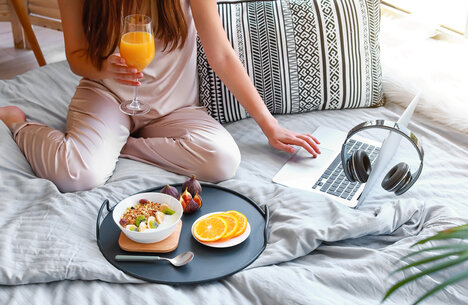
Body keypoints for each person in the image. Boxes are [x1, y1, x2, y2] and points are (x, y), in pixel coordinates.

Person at [0, 0, 320, 192]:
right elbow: (75, 57)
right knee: (77, 176)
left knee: (223, 160)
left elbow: (220, 53)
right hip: (106, 94)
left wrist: (269, 125)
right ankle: (20, 124)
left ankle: (118, 146)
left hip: (174, 106)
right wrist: (104, 66)